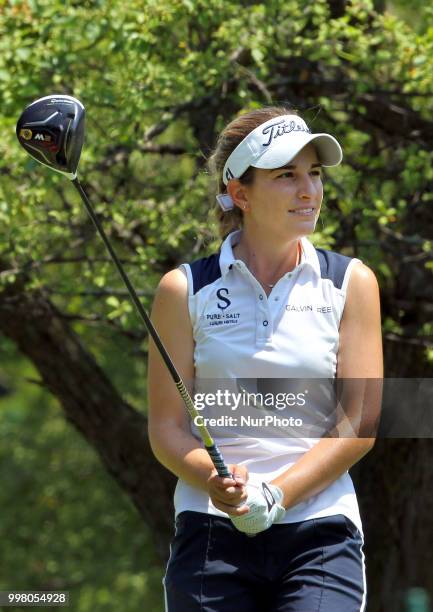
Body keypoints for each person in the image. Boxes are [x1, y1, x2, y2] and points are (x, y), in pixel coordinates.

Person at [148, 106, 383, 612]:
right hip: (211, 531)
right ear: (240, 193)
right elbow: (166, 429)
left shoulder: (350, 282)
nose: (309, 191)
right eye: (286, 176)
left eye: (314, 174)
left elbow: (360, 422)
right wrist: (215, 482)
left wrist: (275, 496)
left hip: (321, 533)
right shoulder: (184, 289)